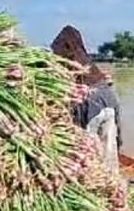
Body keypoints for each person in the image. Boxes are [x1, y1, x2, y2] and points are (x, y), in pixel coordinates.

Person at [51, 26, 123, 175]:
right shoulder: (90, 64)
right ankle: (111, 181)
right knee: (109, 148)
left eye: (56, 51)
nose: (54, 55)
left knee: (88, 153)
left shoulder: (69, 64)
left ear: (66, 48)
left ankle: (95, 185)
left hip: (90, 104)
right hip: (108, 98)